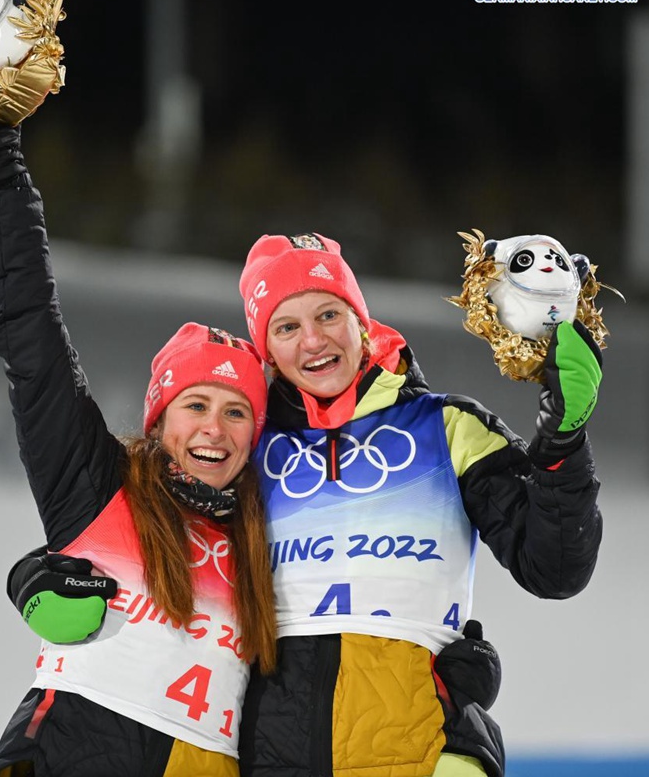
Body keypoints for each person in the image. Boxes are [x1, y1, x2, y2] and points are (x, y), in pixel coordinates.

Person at [0, 71, 277, 777]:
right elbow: (30, 331)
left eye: (235, 411)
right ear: (158, 420)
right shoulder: (99, 485)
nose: (214, 429)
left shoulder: (272, 530)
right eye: (194, 406)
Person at [232, 231, 603, 777]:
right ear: (267, 350)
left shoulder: (447, 426)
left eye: (329, 314)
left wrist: (563, 444)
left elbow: (554, 567)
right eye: (287, 327)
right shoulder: (246, 452)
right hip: (275, 754)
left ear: (360, 320)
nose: (313, 341)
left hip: (422, 750)